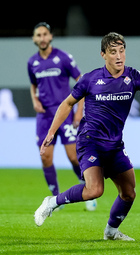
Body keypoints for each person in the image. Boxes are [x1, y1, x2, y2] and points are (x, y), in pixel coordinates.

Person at [34, 32, 140, 241]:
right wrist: (51, 132)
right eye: (113, 52)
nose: (119, 56)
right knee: (94, 190)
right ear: (103, 54)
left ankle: (111, 231)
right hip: (90, 142)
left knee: (129, 193)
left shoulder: (132, 76)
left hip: (114, 145)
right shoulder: (90, 79)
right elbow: (67, 103)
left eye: (122, 51)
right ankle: (52, 202)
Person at [27, 22, 97, 211]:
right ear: (34, 39)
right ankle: (55, 198)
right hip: (44, 116)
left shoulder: (63, 58)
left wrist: (79, 110)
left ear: (50, 36)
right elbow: (33, 85)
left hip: (65, 115)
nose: (42, 38)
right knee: (46, 158)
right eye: (38, 35)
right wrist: (34, 100)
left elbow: (82, 82)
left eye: (44, 34)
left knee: (73, 156)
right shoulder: (32, 63)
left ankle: (89, 191)